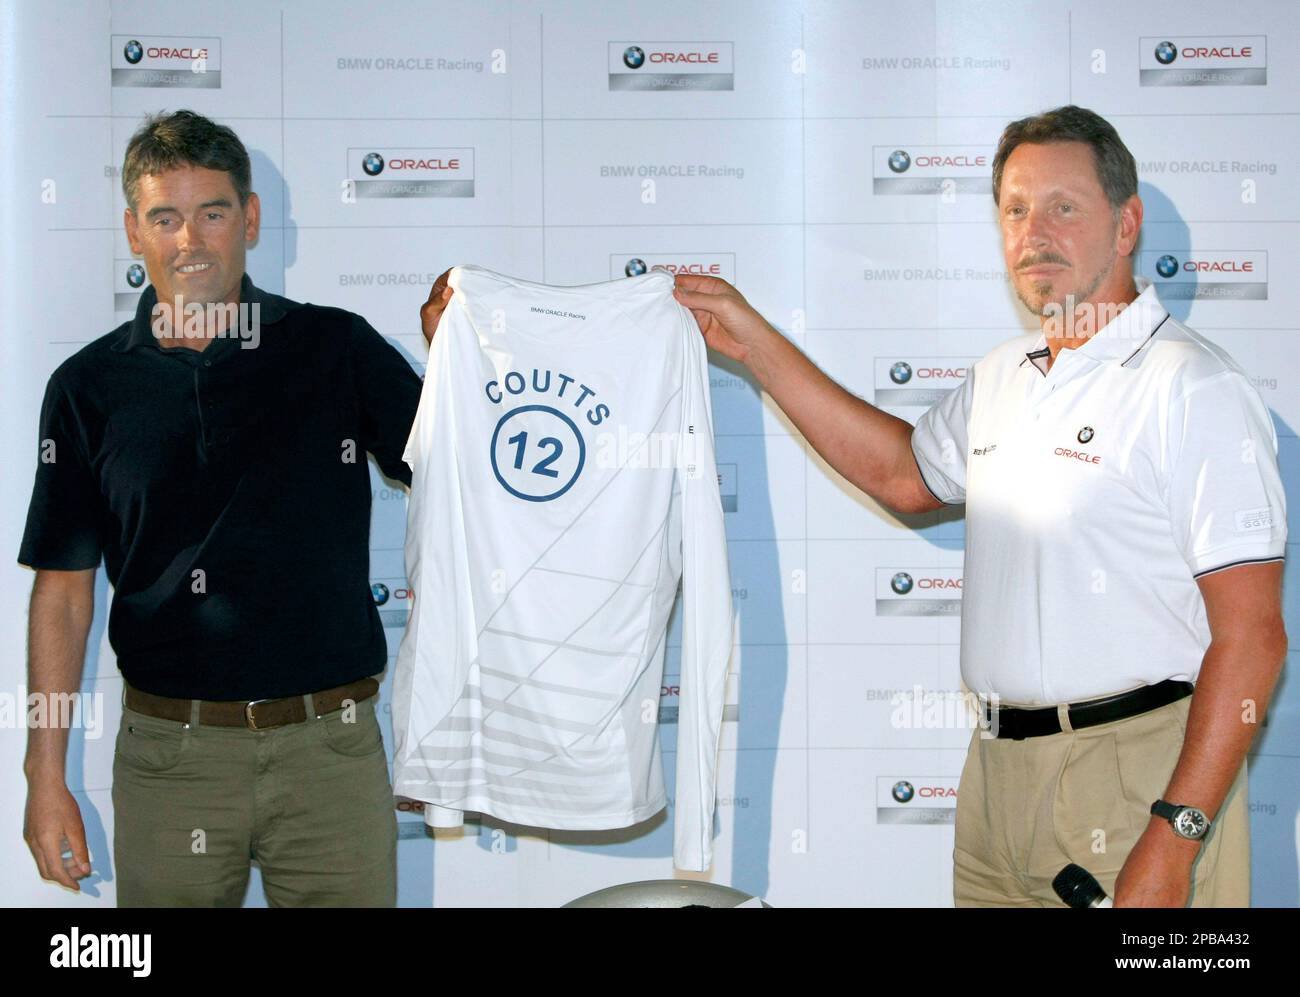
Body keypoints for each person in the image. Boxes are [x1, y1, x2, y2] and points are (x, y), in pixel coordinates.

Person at [664, 105, 1287, 906]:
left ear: (1127, 223)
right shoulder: (1004, 373)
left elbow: (1254, 639)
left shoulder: (1192, 385)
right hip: (996, 779)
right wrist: (754, 344)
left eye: (1064, 206)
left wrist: (1175, 834)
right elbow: (903, 473)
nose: (1035, 231)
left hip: (1137, 780)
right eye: (1016, 210)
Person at [19, 110, 422, 906]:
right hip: (172, 761)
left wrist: (459, 361)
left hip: (330, 755)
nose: (190, 241)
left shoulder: (336, 349)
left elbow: (464, 475)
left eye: (213, 212)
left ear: (252, 218)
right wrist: (44, 774)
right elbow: (63, 595)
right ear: (134, 232)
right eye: (166, 217)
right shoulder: (86, 389)